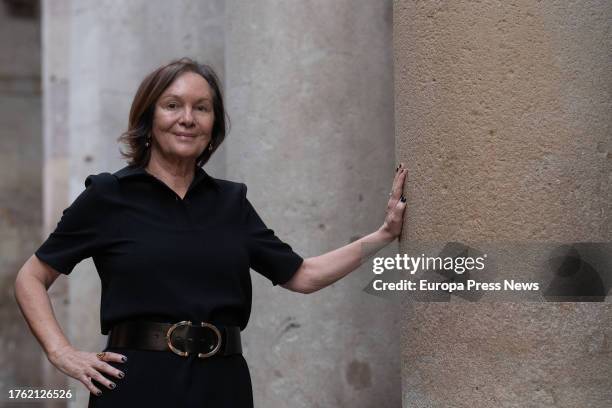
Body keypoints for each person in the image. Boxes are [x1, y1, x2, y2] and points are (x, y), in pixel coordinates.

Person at [14, 57, 408, 407]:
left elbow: (302, 275)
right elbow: (31, 277)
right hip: (137, 386)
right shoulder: (109, 196)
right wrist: (61, 352)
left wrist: (381, 236)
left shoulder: (230, 203)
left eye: (201, 108)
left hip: (223, 385)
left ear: (213, 124)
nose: (188, 118)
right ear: (148, 118)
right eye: (172, 105)